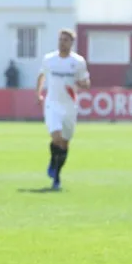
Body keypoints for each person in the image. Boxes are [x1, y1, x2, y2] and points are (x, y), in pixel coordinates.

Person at [36, 29, 91, 191]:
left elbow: (86, 83)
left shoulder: (78, 62)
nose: (62, 42)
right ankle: (56, 174)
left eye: (66, 40)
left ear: (72, 43)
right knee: (56, 138)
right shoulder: (49, 59)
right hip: (52, 104)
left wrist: (81, 83)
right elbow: (41, 76)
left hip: (69, 106)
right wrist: (38, 94)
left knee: (65, 143)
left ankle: (56, 171)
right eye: (60, 39)